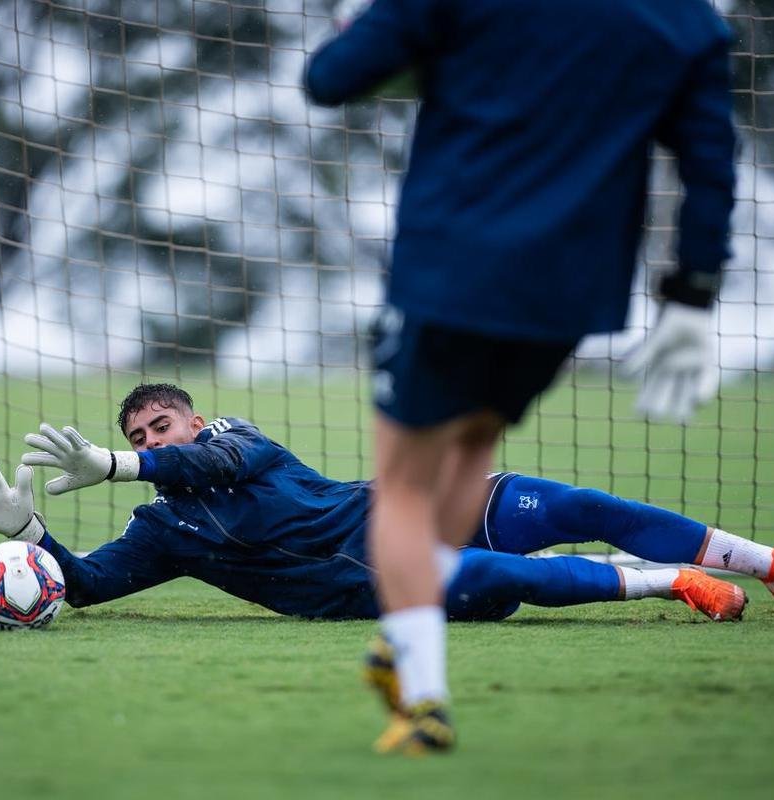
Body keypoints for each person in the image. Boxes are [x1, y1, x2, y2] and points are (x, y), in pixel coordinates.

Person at [304, 0, 742, 753]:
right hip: (570, 296)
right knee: (470, 452)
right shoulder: (685, 19)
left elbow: (331, 79)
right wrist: (692, 297)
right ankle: (405, 641)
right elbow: (710, 162)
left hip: (449, 273)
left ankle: (422, 694)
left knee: (403, 484)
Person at [0, 382, 774, 640]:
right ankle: (673, 584)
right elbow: (91, 587)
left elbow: (216, 459)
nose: (156, 437)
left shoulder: (238, 439)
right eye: (141, 434)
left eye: (161, 424)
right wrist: (25, 532)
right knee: (499, 577)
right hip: (364, 581)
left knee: (570, 501)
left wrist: (113, 463)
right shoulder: (162, 529)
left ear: (189, 418)